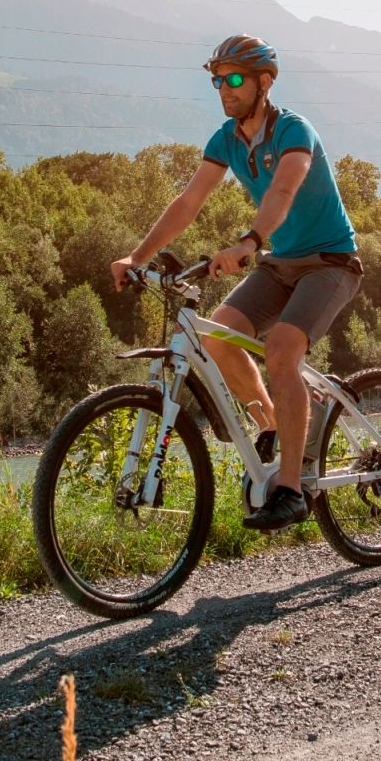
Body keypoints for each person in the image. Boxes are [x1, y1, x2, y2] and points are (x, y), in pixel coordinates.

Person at [110, 34, 363, 530]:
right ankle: (275, 427)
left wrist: (250, 241)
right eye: (216, 80)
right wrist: (137, 256)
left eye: (234, 79)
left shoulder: (293, 130)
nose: (224, 89)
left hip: (330, 263)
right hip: (282, 262)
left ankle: (291, 489)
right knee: (217, 334)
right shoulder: (226, 139)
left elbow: (285, 188)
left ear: (264, 81)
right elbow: (189, 201)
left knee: (283, 350)